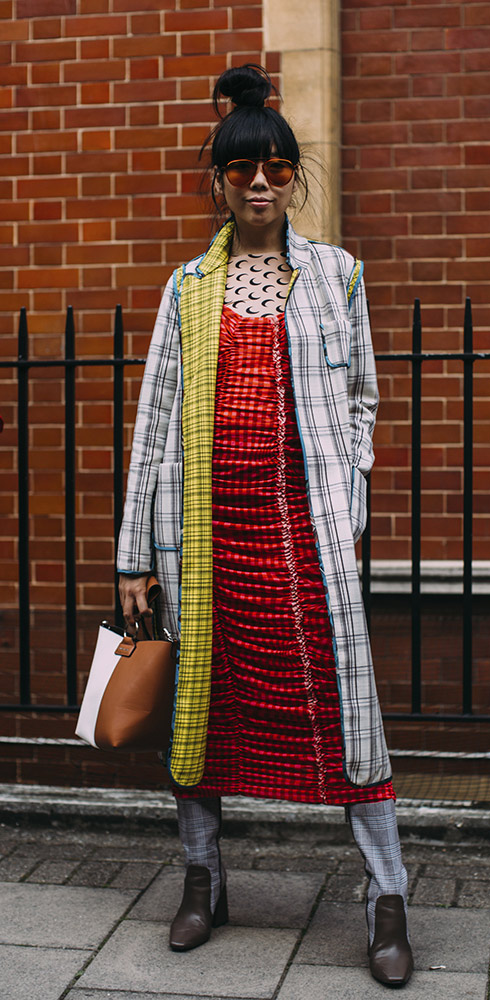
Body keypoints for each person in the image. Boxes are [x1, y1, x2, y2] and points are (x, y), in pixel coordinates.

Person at [116, 64, 412, 987]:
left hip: (306, 542)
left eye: (277, 169)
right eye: (242, 168)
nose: (258, 183)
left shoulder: (338, 278)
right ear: (218, 178)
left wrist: (351, 487)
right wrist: (134, 555)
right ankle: (203, 879)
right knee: (199, 716)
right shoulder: (186, 290)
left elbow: (362, 398)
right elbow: (153, 421)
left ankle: (386, 896)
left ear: (293, 180)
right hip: (202, 542)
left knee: (346, 714)